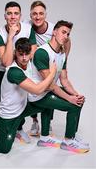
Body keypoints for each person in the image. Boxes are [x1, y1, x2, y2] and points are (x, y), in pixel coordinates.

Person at [28, 20, 89, 153]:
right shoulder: (42, 52)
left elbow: (64, 80)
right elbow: (50, 84)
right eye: (63, 32)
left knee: (78, 100)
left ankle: (46, 137)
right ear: (54, 32)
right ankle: (68, 141)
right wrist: (69, 99)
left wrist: (75, 94)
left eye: (68, 34)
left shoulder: (61, 54)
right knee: (73, 105)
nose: (65, 36)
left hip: (49, 91)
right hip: (37, 94)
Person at [0, 1, 37, 142]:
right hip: (0, 71)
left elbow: (32, 52)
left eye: (16, 13)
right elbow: (6, 62)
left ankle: (19, 129)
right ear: (5, 16)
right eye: (9, 13)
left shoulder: (28, 29)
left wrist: (18, 57)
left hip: (19, 71)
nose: (13, 16)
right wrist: (10, 36)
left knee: (20, 100)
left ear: (20, 16)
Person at [28, 1, 71, 136]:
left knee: (50, 87)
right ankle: (35, 121)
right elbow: (13, 25)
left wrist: (63, 59)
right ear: (30, 15)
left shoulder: (55, 29)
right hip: (35, 61)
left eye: (41, 13)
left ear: (45, 15)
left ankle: (47, 125)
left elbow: (67, 40)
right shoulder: (26, 26)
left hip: (50, 61)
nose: (38, 17)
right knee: (36, 88)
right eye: (34, 13)